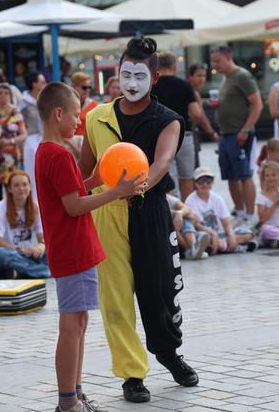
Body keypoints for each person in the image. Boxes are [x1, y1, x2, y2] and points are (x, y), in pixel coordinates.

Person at [79, 37, 199, 403]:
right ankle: (132, 374)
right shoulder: (96, 117)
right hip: (108, 214)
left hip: (151, 211)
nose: (131, 83)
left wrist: (138, 182)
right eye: (125, 74)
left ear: (155, 77)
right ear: (116, 73)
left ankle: (167, 352)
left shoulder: (168, 120)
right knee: (115, 298)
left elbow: (162, 161)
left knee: (160, 290)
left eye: (139, 75)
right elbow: (84, 176)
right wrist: (71, 196)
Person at [35, 81, 141, 412]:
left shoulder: (46, 151)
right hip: (73, 249)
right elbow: (73, 206)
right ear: (57, 113)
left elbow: (72, 191)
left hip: (71, 249)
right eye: (75, 113)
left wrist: (96, 180)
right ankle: (68, 402)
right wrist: (114, 192)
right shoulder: (60, 154)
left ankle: (75, 394)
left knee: (78, 324)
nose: (79, 120)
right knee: (71, 327)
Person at [210, 45, 263, 223]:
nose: (215, 65)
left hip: (240, 133)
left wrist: (246, 129)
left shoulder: (242, 76)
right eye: (213, 61)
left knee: (244, 174)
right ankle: (239, 211)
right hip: (227, 134)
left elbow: (257, 104)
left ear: (228, 57)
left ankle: (249, 215)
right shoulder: (227, 78)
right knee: (230, 175)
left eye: (218, 61)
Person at [153, 52, 203, 200]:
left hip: (160, 137)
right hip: (184, 134)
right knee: (187, 176)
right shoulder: (185, 85)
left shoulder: (153, 85)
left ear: (157, 67)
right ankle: (185, 212)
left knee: (167, 175)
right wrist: (189, 122)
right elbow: (196, 113)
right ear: (174, 66)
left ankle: (172, 213)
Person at [0, 170, 50, 279]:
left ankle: (19, 271)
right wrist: (21, 250)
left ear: (30, 187)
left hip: (27, 255)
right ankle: (44, 271)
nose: (21, 188)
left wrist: (41, 246)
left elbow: (43, 237)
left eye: (24, 184)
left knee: (52, 250)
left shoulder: (35, 207)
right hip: (9, 254)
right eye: (16, 185)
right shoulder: (0, 207)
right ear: (10, 189)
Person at [185, 166, 257, 255]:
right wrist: (212, 233)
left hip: (220, 234)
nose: (205, 184)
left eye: (208, 180)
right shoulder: (190, 200)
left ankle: (223, 246)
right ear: (195, 183)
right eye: (201, 181)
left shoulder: (217, 198)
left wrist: (231, 237)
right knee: (205, 239)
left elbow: (226, 223)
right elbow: (195, 224)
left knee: (248, 233)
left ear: (213, 182)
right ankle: (236, 247)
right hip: (204, 234)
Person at [20, 71, 48, 198]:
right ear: (34, 84)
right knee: (32, 173)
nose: (44, 84)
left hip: (45, 139)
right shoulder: (23, 103)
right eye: (42, 81)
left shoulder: (45, 100)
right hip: (30, 142)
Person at [165, 192, 210, 260]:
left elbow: (186, 208)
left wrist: (180, 214)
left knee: (184, 216)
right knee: (182, 219)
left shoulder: (168, 198)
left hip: (180, 233)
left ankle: (191, 250)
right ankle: (192, 248)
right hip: (169, 234)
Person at [65, 72, 98, 160]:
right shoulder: (66, 103)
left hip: (87, 144)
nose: (87, 90)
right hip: (69, 143)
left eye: (89, 88)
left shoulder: (94, 105)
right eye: (84, 87)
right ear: (74, 86)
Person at [187, 63, 220, 142]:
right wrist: (211, 133)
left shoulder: (193, 91)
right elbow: (201, 116)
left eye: (204, 76)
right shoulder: (193, 92)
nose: (202, 79)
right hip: (188, 133)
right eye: (199, 76)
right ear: (190, 76)